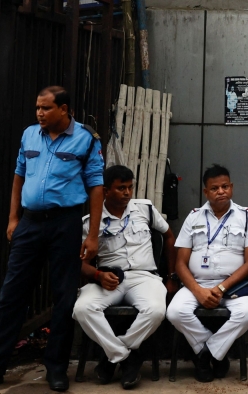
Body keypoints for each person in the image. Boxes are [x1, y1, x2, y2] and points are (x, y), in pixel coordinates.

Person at [0, 86, 105, 392]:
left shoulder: (85, 140)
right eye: (37, 107)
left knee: (64, 296)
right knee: (11, 295)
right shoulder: (29, 135)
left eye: (46, 108)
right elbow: (18, 175)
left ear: (64, 110)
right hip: (30, 224)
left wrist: (92, 235)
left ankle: (56, 369)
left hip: (65, 224)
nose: (39, 113)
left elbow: (96, 186)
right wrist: (13, 218)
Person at [72, 165, 176, 389]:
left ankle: (112, 358)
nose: (127, 193)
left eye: (130, 187)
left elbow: (168, 236)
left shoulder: (145, 209)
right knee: (82, 309)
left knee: (157, 309)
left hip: (144, 278)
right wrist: (98, 275)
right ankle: (128, 358)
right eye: (121, 188)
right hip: (109, 278)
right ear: (106, 191)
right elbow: (77, 263)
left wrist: (170, 276)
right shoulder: (91, 222)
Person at [166, 165, 248, 382]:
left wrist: (221, 288)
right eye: (215, 188)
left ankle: (206, 355)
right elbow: (180, 263)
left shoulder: (246, 217)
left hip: (233, 286)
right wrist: (198, 291)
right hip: (196, 283)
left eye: (225, 186)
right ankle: (217, 354)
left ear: (232, 187)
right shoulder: (194, 218)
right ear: (205, 192)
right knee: (174, 312)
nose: (221, 191)